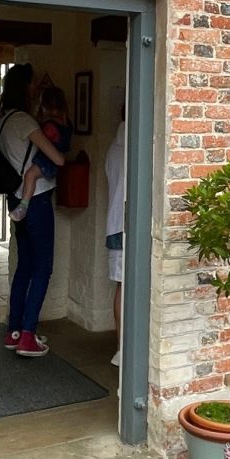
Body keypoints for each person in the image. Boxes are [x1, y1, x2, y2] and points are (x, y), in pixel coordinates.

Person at [0, 66, 67, 356]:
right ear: (25, 87)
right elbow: (57, 158)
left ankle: (14, 330)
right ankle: (28, 335)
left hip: (15, 199)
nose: (36, 88)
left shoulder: (1, 118)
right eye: (33, 84)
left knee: (24, 265)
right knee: (42, 267)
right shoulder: (24, 121)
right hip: (37, 199)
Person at [9, 86, 72, 223]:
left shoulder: (49, 126)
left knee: (30, 175)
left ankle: (23, 206)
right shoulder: (66, 123)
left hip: (46, 160)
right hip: (53, 161)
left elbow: (42, 139)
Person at [105, 107, 126, 368]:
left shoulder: (113, 147)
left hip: (115, 223)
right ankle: (123, 349)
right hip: (126, 224)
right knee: (128, 287)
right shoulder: (133, 147)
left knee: (122, 286)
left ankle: (121, 346)